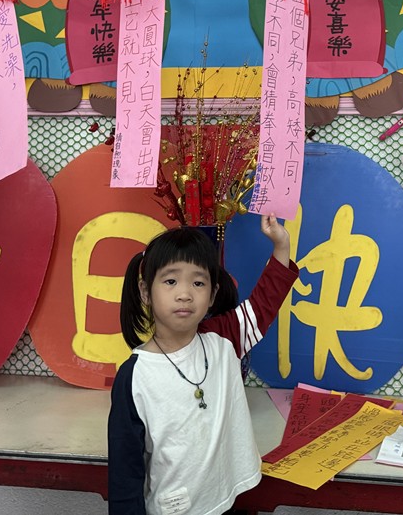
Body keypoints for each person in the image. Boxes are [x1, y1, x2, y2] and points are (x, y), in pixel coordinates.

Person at [108, 216, 298, 515]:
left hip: (229, 498)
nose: (184, 294)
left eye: (198, 283)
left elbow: (265, 303)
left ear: (212, 295)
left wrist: (281, 245)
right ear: (145, 292)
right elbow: (125, 471)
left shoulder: (224, 339)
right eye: (170, 281)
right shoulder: (135, 376)